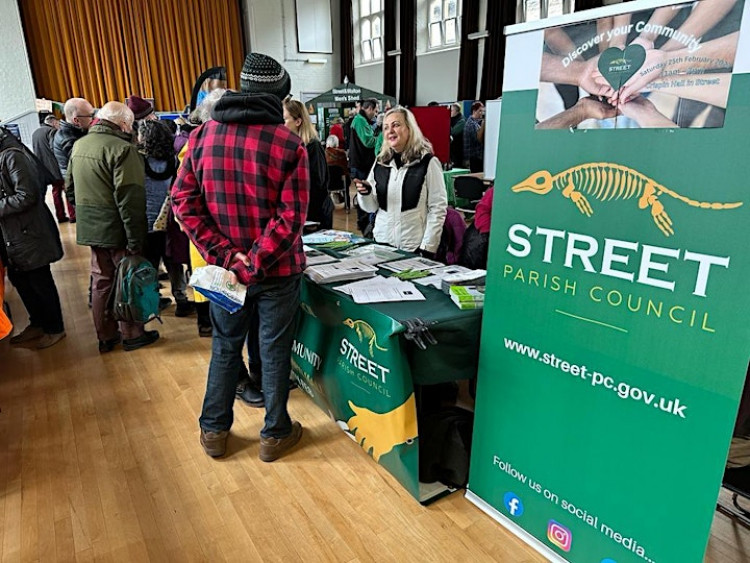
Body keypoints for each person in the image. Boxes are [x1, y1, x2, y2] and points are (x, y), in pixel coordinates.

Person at [172, 52, 308, 462]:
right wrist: (255, 259)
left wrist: (229, 256)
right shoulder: (288, 144)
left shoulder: (201, 138)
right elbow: (291, 216)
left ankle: (214, 430)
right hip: (278, 271)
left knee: (226, 348)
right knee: (274, 350)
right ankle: (275, 432)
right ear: (277, 97)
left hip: (227, 273)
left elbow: (183, 203)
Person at [66, 102, 159, 353]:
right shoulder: (123, 149)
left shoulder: (79, 145)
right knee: (128, 279)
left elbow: (70, 190)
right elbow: (131, 200)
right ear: (124, 124)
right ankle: (132, 334)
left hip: (92, 229)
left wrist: (87, 216)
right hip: (118, 229)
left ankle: (106, 336)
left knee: (101, 281)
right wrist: (135, 239)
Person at [0, 126, 66, 349]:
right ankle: (37, 323)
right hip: (12, 234)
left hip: (29, 233)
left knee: (40, 281)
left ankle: (55, 328)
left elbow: (27, 195)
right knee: (21, 281)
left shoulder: (12, 155)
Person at [355, 106, 447, 255]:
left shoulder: (427, 162)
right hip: (382, 244)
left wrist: (428, 247)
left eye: (396, 125)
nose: (390, 131)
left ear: (409, 128)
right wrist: (365, 194)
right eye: (385, 127)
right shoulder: (380, 162)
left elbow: (438, 208)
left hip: (413, 247)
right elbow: (371, 207)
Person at [138, 119, 193, 316]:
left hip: (146, 220)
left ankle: (152, 302)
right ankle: (181, 299)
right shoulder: (175, 160)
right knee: (174, 262)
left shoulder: (138, 161)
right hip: (170, 220)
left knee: (150, 263)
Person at [283, 98, 332, 229]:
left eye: (284, 120)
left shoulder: (312, 146)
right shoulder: (290, 147)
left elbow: (317, 184)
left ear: (298, 121)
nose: (280, 125)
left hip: (314, 215)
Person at [33, 113, 75, 224]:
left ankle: (60, 215)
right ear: (54, 122)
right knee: (67, 189)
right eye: (57, 123)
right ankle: (72, 215)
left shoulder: (35, 133)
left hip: (44, 169)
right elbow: (55, 149)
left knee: (55, 192)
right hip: (56, 168)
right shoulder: (51, 131)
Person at [53, 97, 95, 202]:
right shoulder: (67, 138)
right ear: (76, 120)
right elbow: (86, 162)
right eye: (91, 116)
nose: (94, 120)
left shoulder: (78, 132)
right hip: (82, 190)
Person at [348, 98, 379, 233]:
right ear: (369, 109)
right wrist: (382, 137)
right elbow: (368, 141)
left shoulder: (361, 120)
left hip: (362, 164)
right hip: (361, 165)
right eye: (376, 111)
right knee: (364, 195)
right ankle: (365, 225)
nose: (376, 114)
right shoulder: (360, 121)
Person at [463, 101, 484, 173]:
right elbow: (478, 139)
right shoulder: (470, 124)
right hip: (474, 158)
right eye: (480, 111)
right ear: (474, 111)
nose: (481, 113)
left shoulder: (476, 123)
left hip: (476, 157)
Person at [449, 103, 465, 167]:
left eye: (451, 111)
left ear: (457, 111)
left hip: (458, 151)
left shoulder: (461, 121)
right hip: (451, 150)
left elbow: (453, 132)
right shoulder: (452, 119)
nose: (449, 112)